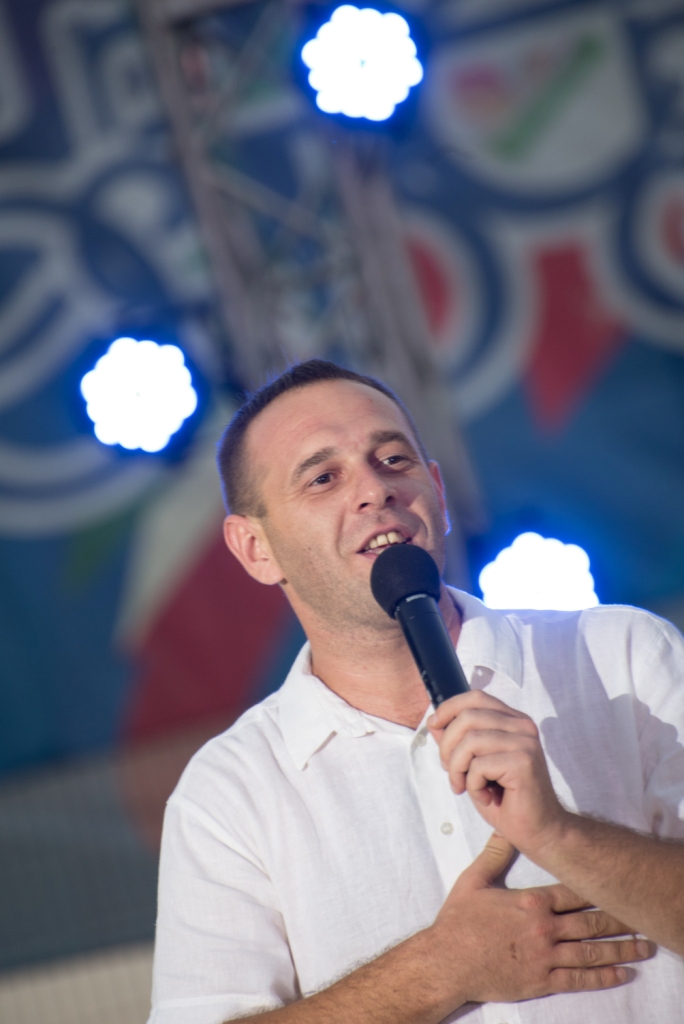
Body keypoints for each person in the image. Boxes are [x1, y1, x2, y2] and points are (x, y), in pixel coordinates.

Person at [148, 360, 684, 1024]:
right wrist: (440, 968)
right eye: (323, 478)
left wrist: (561, 835)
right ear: (256, 549)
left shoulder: (622, 655)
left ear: (438, 491)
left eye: (393, 459)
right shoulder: (231, 792)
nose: (375, 490)